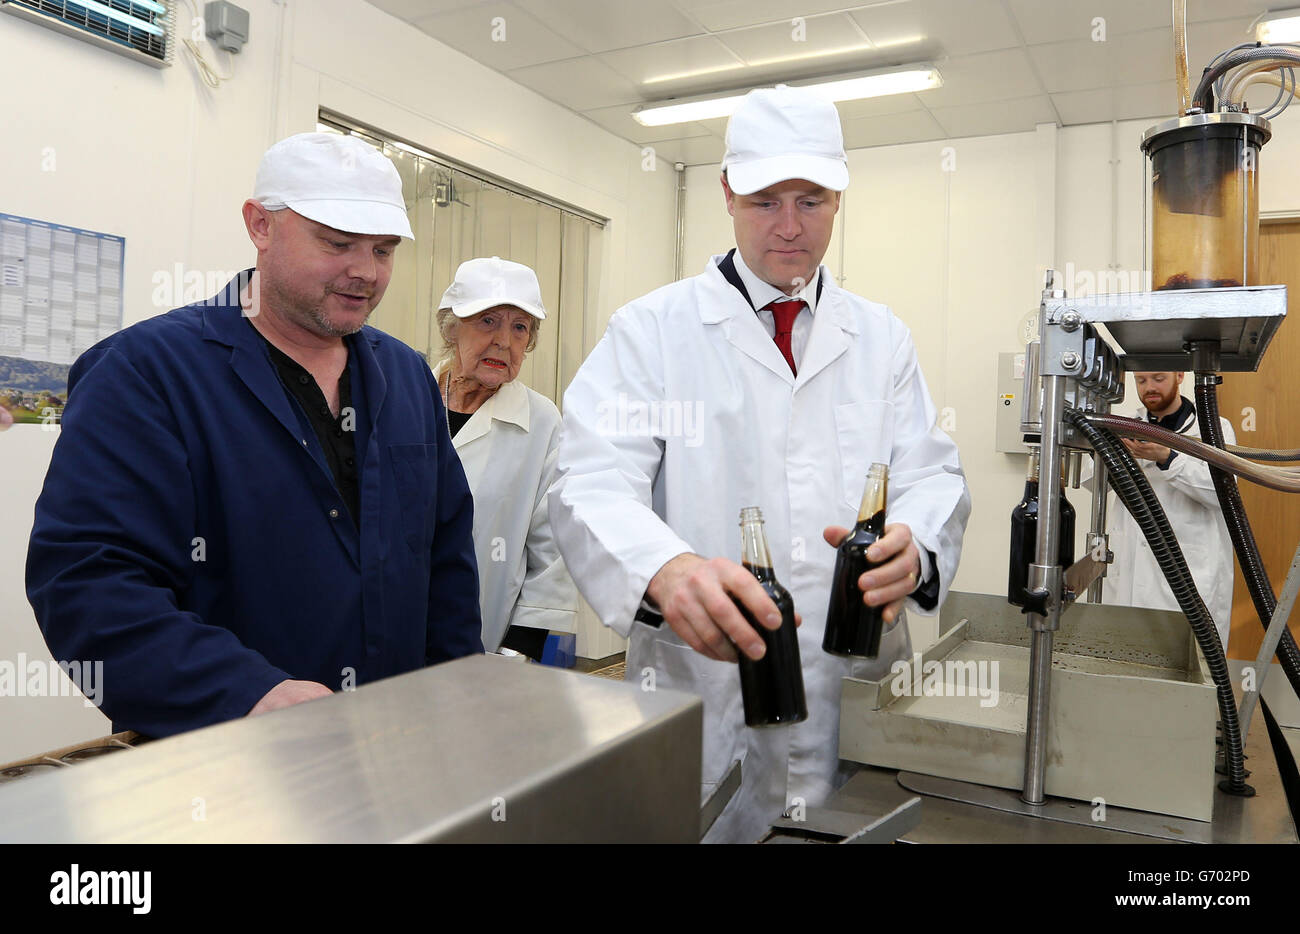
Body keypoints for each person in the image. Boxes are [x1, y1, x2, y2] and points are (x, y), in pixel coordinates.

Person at [549, 85, 971, 843]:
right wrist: (665, 570)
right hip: (704, 701)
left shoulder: (881, 339)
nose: (787, 228)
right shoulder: (652, 332)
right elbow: (589, 482)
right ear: (725, 194)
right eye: (763, 200)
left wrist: (918, 541)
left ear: (839, 198)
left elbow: (933, 476)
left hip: (857, 700)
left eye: (810, 201)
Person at [26, 132, 483, 738]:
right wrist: (244, 692)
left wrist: (454, 696)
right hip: (216, 759)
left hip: (391, 744)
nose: (365, 272)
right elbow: (89, 582)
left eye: (383, 249)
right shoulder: (146, 373)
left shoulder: (405, 376)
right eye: (337, 243)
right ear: (259, 225)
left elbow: (446, 558)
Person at [432, 256, 577, 657]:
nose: (504, 341)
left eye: (520, 328)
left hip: (488, 639)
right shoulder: (405, 398)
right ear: (451, 326)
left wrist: (520, 648)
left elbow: (554, 549)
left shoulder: (542, 421)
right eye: (487, 321)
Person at [1098, 371, 1235, 649]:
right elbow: (1092, 480)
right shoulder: (1125, 427)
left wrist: (1166, 457)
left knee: (1188, 673)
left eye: (1158, 378)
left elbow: (1221, 493)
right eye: (1141, 380)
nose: (1149, 388)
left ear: (1179, 375)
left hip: (1190, 580)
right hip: (1130, 581)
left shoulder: (1213, 428)